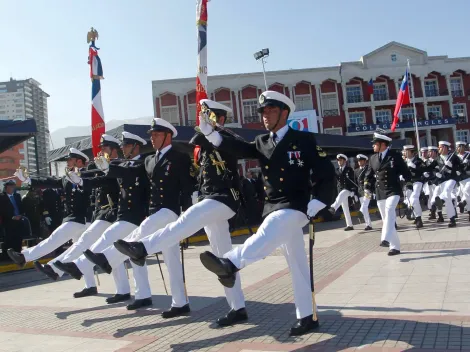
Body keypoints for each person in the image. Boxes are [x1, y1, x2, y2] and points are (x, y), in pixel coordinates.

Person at [186, 91, 335, 335]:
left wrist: (321, 199)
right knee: (297, 263)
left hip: (296, 206)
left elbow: (325, 171)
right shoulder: (262, 142)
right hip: (273, 205)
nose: (265, 116)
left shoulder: (303, 139)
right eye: (263, 112)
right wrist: (211, 133)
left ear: (284, 113)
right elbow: (239, 149)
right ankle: (308, 316)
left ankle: (231, 262)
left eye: (270, 111)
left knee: (270, 228)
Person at [114, 100, 249, 324]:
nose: (204, 120)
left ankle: (143, 247)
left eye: (209, 116)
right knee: (224, 259)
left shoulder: (228, 139)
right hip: (209, 200)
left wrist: (213, 134)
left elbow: (233, 148)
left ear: (220, 119)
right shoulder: (202, 143)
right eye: (203, 116)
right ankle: (238, 307)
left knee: (187, 219)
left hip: (224, 200)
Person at [82, 118, 194, 312]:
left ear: (168, 136)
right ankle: (180, 303)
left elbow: (188, 187)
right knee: (171, 260)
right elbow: (131, 170)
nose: (153, 138)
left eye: (157, 134)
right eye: (151, 135)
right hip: (154, 210)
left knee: (141, 233)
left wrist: (187, 216)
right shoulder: (149, 159)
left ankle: (107, 259)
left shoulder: (179, 157)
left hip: (170, 210)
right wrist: (107, 168)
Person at [55, 132, 149, 305]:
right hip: (122, 214)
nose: (123, 148)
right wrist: (81, 179)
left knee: (127, 252)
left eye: (126, 145)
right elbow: (100, 180)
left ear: (136, 146)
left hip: (134, 215)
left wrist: (106, 168)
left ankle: (79, 266)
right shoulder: (121, 164)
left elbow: (119, 176)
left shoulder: (141, 162)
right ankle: (134, 293)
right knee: (129, 254)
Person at [34, 134, 122, 299]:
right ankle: (94, 285)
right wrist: (31, 181)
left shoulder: (95, 171)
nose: (101, 151)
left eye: (104, 148)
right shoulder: (81, 175)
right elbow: (53, 182)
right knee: (97, 251)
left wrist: (84, 180)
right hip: (97, 216)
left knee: (105, 251)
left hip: (104, 217)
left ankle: (56, 268)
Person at [7, 148, 90, 267]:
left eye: (70, 159)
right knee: (81, 252)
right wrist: (28, 179)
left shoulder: (89, 175)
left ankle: (24, 257)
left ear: (79, 162)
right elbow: (49, 181)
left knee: (55, 238)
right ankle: (90, 284)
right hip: (73, 219)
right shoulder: (67, 178)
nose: (67, 162)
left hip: (83, 219)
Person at [364, 132, 412, 256]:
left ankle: (384, 239)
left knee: (390, 211)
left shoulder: (394, 156)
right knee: (387, 219)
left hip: (393, 190)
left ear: (383, 144)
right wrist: (367, 187)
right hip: (380, 192)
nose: (373, 146)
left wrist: (408, 184)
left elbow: (405, 171)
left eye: (375, 144)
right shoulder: (373, 158)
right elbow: (368, 176)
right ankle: (395, 247)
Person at [430, 141, 461, 227]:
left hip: (452, 179)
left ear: (445, 148)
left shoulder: (454, 158)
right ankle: (452, 219)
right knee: (448, 199)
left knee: (447, 191)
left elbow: (460, 168)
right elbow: (430, 168)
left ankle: (441, 200)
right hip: (442, 180)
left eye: (440, 147)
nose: (438, 149)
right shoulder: (438, 159)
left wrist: (452, 167)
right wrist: (435, 173)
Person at [0, 180, 29, 258]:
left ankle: (18, 254)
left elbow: (21, 207)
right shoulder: (2, 197)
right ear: (6, 188)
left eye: (13, 186)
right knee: (9, 239)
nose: (13, 188)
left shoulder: (17, 196)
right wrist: (12, 217)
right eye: (11, 187)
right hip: (8, 221)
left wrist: (21, 215)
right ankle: (8, 256)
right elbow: (2, 210)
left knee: (18, 238)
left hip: (18, 220)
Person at [328, 154, 356, 231]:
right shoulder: (337, 170)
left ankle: (333, 207)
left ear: (344, 161)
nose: (339, 162)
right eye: (338, 160)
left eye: (340, 160)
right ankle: (349, 225)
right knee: (345, 208)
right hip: (340, 190)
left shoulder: (349, 169)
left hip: (348, 189)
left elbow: (353, 180)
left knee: (343, 193)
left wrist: (354, 190)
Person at [402, 145, 426, 229]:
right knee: (408, 198)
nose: (404, 153)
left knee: (414, 198)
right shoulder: (404, 162)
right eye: (404, 151)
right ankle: (415, 216)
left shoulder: (418, 161)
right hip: (408, 182)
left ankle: (419, 219)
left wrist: (415, 167)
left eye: (406, 151)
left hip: (417, 181)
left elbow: (424, 170)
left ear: (412, 152)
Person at [354, 154, 372, 231]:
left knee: (365, 204)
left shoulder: (369, 169)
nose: (359, 162)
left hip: (368, 190)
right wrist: (355, 193)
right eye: (358, 161)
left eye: (361, 160)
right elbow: (355, 183)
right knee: (365, 208)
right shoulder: (356, 171)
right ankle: (368, 225)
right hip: (360, 191)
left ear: (365, 161)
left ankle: (360, 213)